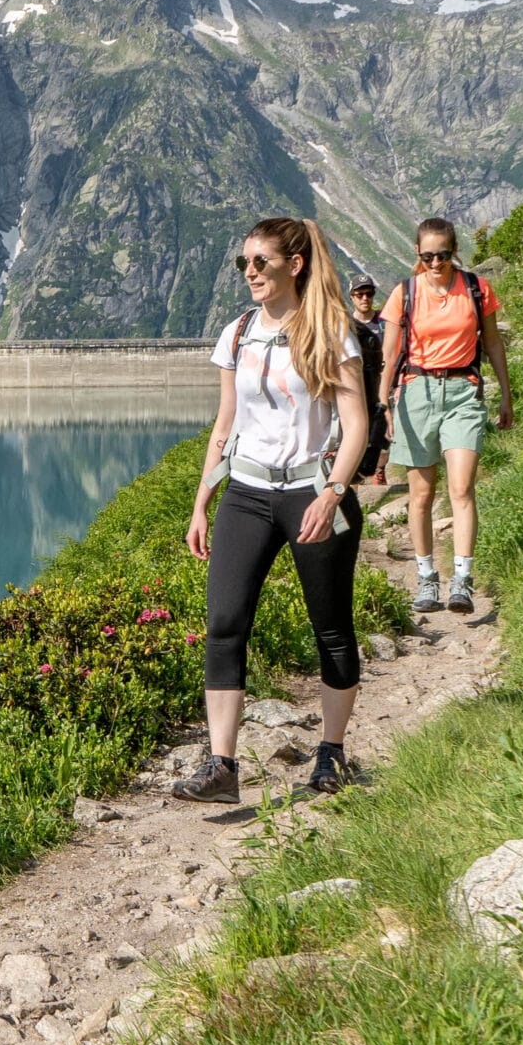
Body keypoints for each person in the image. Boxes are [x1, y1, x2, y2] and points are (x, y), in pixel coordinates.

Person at [174, 217, 373, 805]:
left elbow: (357, 424)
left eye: (261, 261)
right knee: (224, 623)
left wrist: (332, 493)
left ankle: (331, 752)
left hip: (313, 491)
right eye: (245, 262)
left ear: (295, 264)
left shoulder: (330, 331)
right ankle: (222, 767)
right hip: (247, 493)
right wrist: (202, 501)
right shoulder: (237, 333)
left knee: (330, 626)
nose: (250, 272)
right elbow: (225, 421)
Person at [377, 217, 511, 615]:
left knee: (461, 488)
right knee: (420, 495)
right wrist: (383, 401)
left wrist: (506, 394)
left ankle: (462, 582)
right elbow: (389, 354)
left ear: (454, 251)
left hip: (463, 392)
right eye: (428, 256)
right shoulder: (404, 293)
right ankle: (426, 578)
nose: (436, 263)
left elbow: (493, 343)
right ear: (417, 253)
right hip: (416, 392)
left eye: (444, 255)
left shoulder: (476, 288)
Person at [349, 275, 390, 489]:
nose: (365, 298)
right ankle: (355, 477)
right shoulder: (346, 326)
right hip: (358, 387)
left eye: (369, 293)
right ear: (352, 297)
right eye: (360, 294)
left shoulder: (385, 323)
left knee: (383, 433)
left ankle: (379, 469)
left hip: (384, 384)